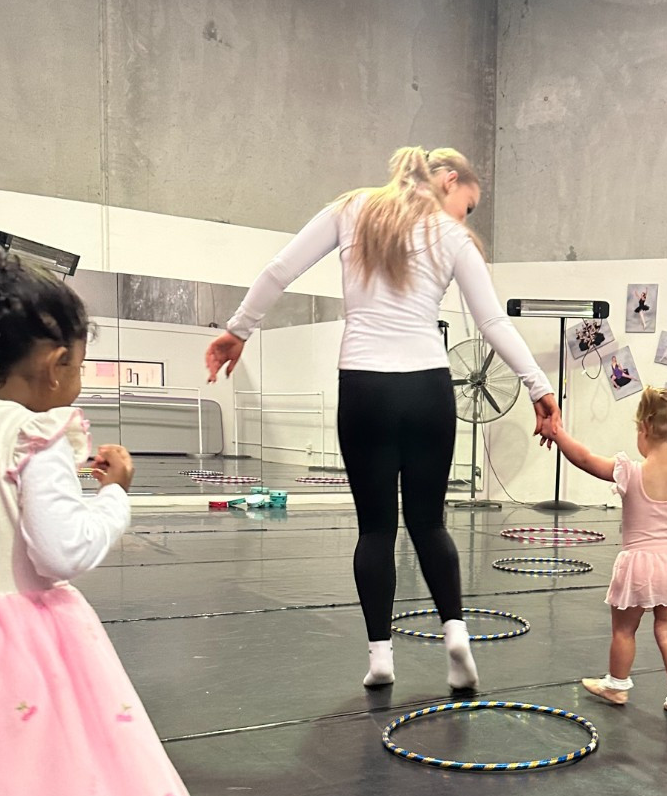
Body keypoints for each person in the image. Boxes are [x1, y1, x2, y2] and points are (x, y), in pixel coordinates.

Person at [205, 147, 560, 691]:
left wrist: (239, 329)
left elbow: (280, 270)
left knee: (375, 529)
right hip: (428, 389)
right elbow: (492, 321)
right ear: (448, 180)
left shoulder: (352, 209)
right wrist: (538, 385)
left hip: (365, 387)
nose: (465, 215)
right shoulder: (452, 236)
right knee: (429, 523)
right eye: (468, 205)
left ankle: (380, 658)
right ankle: (456, 633)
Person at [0, 255, 200, 796]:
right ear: (56, 364)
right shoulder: (37, 432)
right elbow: (60, 551)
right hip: (25, 655)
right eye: (80, 363)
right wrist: (115, 497)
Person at [546, 386, 667, 719]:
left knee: (624, 630)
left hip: (638, 564)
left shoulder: (631, 471)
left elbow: (584, 459)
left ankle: (616, 684)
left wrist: (558, 433)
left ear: (645, 428)